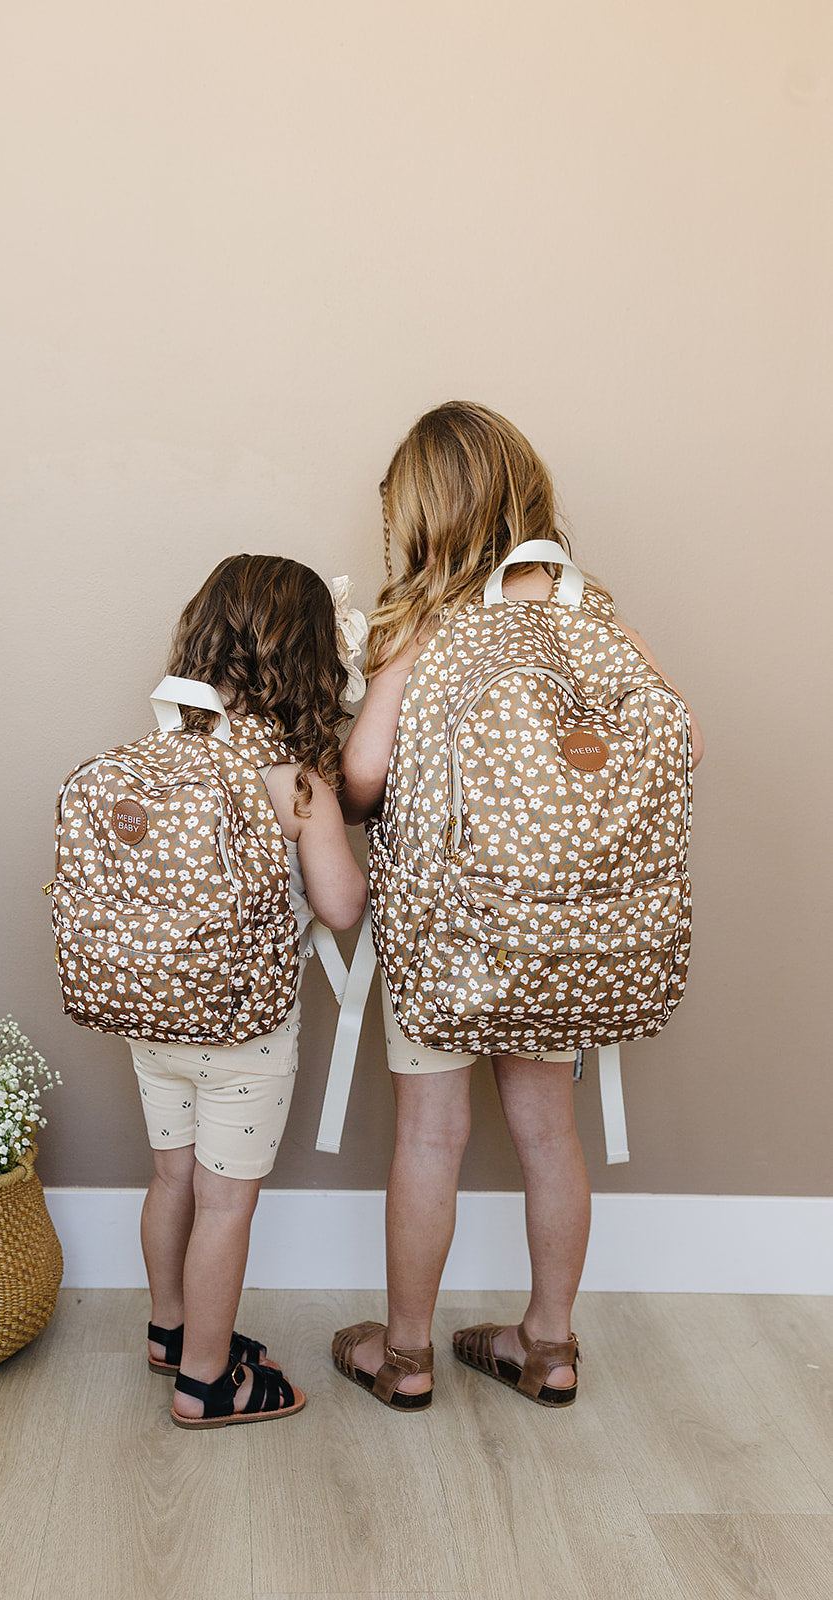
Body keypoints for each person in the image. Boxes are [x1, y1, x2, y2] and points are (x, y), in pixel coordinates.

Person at [331, 402, 704, 1410]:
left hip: (450, 937)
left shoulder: (429, 626)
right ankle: (546, 1344)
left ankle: (403, 1355)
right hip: (572, 938)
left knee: (428, 1136)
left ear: (424, 519)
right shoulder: (591, 620)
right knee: (548, 1133)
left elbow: (361, 780)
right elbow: (683, 743)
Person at [130, 554, 367, 1428]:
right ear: (309, 657)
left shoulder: (160, 752)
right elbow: (340, 905)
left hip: (149, 1011)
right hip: (243, 1030)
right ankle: (205, 1382)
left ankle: (168, 1334)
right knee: (226, 1201)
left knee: (169, 1180)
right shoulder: (290, 777)